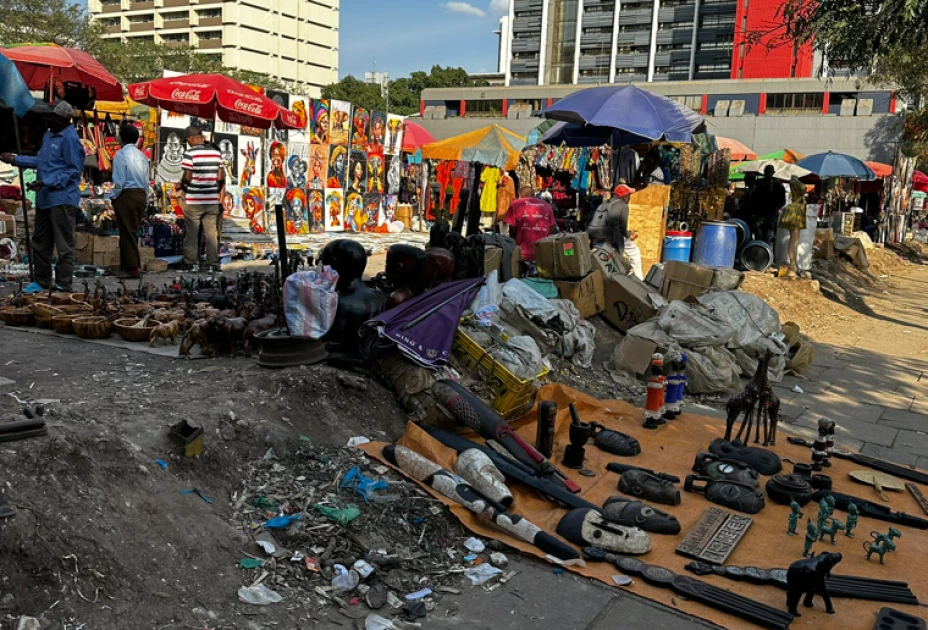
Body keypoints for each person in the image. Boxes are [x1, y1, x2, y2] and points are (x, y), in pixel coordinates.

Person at [1, 100, 84, 293]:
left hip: (62, 199)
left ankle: (63, 283)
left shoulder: (70, 139)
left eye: (50, 116)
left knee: (63, 245)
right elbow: (40, 161)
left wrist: (47, 182)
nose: (46, 118)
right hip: (45, 198)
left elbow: (73, 171)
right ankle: (41, 280)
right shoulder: (49, 135)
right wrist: (15, 159)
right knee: (40, 242)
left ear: (62, 119)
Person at [172, 125, 224, 272]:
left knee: (192, 233)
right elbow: (220, 177)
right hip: (212, 200)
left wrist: (182, 185)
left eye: (187, 140)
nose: (188, 143)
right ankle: (213, 263)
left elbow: (187, 176)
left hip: (194, 200)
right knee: (211, 233)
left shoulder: (190, 154)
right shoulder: (216, 153)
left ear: (192, 138)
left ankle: (190, 262)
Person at [107, 124, 150, 278]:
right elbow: (146, 181)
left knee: (127, 232)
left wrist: (113, 195)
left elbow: (119, 181)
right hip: (140, 195)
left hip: (127, 195)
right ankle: (126, 265)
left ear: (121, 138)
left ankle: (132, 267)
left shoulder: (121, 155)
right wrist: (146, 199)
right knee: (130, 231)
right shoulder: (142, 156)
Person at [587, 182, 643, 279]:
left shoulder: (603, 204)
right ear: (624, 197)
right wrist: (630, 235)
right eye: (629, 195)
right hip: (610, 237)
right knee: (635, 251)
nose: (630, 198)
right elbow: (622, 229)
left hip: (594, 236)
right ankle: (639, 279)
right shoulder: (623, 206)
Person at [502, 186, 556, 263]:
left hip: (522, 253)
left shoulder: (515, 204)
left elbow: (512, 228)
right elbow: (551, 227)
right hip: (542, 252)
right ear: (534, 194)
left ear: (520, 195)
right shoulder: (547, 206)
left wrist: (515, 241)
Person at [780, 176, 809, 277]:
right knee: (794, 240)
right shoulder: (795, 184)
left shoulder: (797, 189)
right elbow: (803, 188)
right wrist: (795, 179)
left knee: (796, 241)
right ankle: (793, 264)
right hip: (795, 212)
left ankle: (794, 263)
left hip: (798, 211)